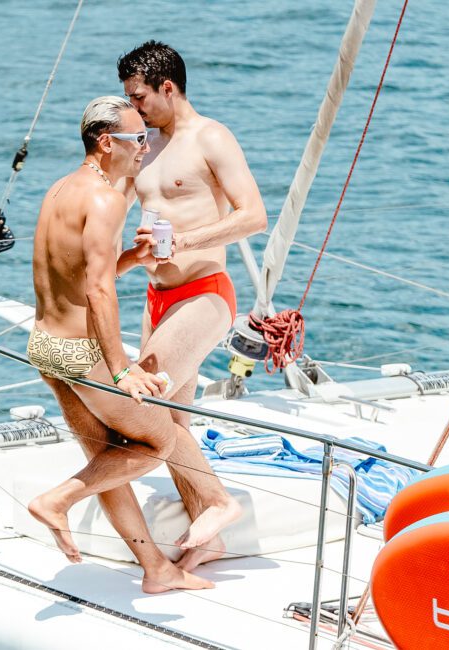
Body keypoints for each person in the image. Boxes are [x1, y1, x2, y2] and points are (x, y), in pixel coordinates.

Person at [27, 95, 213, 593]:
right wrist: (119, 368)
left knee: (108, 458)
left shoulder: (60, 190)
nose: (145, 147)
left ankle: (157, 570)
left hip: (46, 346)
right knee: (162, 439)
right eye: (138, 138)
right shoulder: (107, 198)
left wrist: (131, 256)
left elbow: (73, 273)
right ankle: (58, 500)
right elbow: (97, 290)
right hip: (83, 354)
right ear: (106, 142)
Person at [116, 41, 268, 571]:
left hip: (204, 293)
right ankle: (207, 534)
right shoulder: (146, 145)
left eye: (139, 98)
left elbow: (254, 216)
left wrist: (187, 241)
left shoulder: (211, 137)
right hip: (156, 297)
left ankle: (220, 502)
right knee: (173, 420)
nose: (134, 108)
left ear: (168, 88)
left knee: (144, 404)